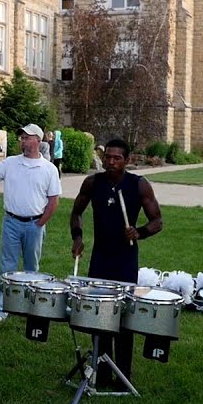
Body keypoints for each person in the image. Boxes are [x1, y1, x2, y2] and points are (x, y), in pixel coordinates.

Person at [70, 138, 163, 390]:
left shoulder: (139, 185)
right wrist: (78, 237)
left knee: (123, 317)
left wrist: (140, 232)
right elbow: (76, 212)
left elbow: (157, 221)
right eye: (107, 157)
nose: (110, 162)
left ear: (127, 160)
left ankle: (123, 374)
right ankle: (100, 371)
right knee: (98, 313)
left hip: (125, 259)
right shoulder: (92, 182)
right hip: (100, 258)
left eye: (116, 158)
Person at [0, 123, 62, 324]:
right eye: (22, 138)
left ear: (37, 140)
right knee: (6, 267)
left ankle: (28, 305)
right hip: (11, 221)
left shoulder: (48, 169)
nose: (23, 141)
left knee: (31, 268)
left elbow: (53, 200)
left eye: (26, 137)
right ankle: (2, 308)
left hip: (34, 224)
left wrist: (40, 223)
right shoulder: (10, 163)